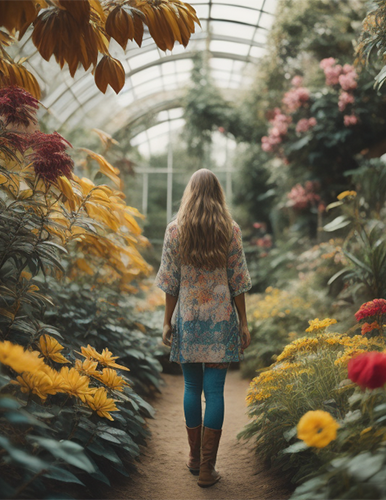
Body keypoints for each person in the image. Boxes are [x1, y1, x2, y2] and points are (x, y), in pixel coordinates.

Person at [154, 168, 252, 488]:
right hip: (221, 319)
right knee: (214, 392)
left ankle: (195, 459)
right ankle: (208, 469)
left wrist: (167, 321)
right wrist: (244, 322)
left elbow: (171, 284)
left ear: (190, 193)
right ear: (218, 193)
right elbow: (238, 282)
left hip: (189, 320)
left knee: (192, 389)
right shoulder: (230, 230)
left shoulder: (175, 231)